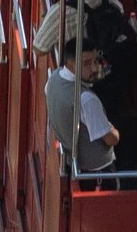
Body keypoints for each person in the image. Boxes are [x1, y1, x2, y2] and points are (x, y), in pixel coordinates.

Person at [43, 44, 120, 174]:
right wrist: (113, 130)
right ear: (70, 64)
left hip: (72, 164)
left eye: (95, 61)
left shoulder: (54, 78)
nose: (95, 68)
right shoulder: (86, 99)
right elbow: (112, 139)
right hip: (96, 172)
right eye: (87, 64)